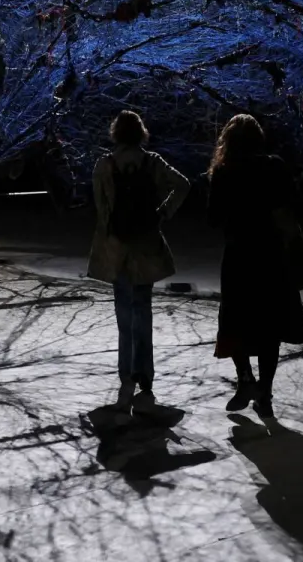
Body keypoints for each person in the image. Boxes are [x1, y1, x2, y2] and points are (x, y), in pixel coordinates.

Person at [88, 110, 191, 412]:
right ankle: (146, 376)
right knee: (143, 312)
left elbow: (101, 208)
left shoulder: (104, 165)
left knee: (124, 316)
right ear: (141, 132)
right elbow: (183, 184)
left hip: (117, 247)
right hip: (146, 245)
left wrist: (110, 229)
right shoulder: (153, 163)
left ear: (115, 133)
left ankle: (126, 375)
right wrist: (161, 213)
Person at [208, 114, 303, 417]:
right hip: (271, 256)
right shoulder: (274, 167)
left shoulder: (224, 172)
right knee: (269, 327)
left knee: (236, 320)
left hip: (239, 256)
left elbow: (213, 218)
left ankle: (245, 379)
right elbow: (290, 208)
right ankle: (265, 389)